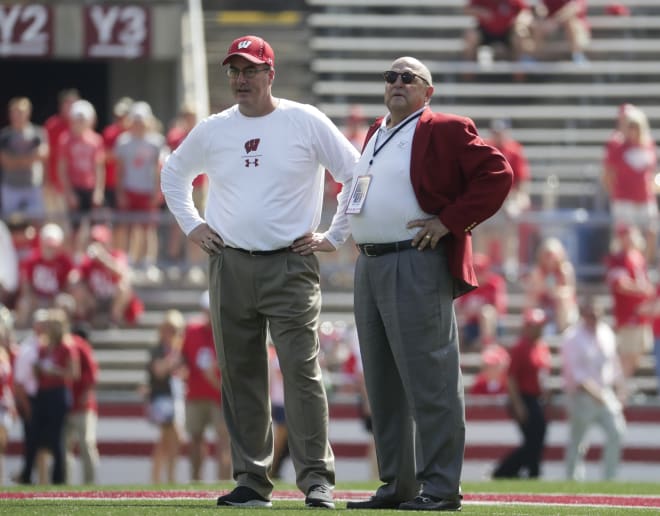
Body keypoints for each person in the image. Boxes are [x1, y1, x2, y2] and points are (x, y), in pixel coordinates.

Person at [160, 34, 359, 509]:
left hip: (290, 263)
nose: (240, 79)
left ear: (271, 74)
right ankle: (252, 478)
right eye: (234, 70)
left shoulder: (303, 120)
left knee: (301, 371)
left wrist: (335, 234)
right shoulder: (213, 128)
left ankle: (316, 479)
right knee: (240, 374)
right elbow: (173, 174)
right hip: (229, 263)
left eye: (250, 70)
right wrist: (193, 225)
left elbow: (355, 173)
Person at [345, 56, 513, 511]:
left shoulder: (446, 127)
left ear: (427, 91)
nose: (397, 83)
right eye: (390, 77)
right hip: (373, 263)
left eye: (408, 78)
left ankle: (440, 487)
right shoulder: (376, 131)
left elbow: (499, 174)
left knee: (432, 380)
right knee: (382, 383)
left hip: (414, 260)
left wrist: (450, 221)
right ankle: (397, 484)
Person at [561, 297, 626, 481]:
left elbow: (614, 363)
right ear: (582, 315)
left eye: (597, 314)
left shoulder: (606, 332)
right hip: (582, 396)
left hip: (605, 392)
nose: (594, 318)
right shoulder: (572, 337)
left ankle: (609, 479)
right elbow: (576, 373)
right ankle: (573, 480)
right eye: (590, 314)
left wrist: (620, 387)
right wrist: (595, 393)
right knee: (578, 441)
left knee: (617, 432)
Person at [18, 308, 80, 485]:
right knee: (35, 435)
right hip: (43, 393)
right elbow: (38, 373)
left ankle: (58, 478)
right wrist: (39, 369)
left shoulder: (67, 346)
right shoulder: (45, 346)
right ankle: (28, 474)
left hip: (58, 393)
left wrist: (54, 371)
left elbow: (74, 373)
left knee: (56, 436)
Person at [492, 308, 551, 479]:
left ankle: (518, 471)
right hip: (523, 398)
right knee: (534, 439)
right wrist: (518, 405)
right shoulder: (520, 347)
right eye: (533, 325)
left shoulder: (541, 347)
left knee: (537, 438)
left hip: (536, 399)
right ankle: (507, 471)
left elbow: (542, 375)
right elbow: (511, 378)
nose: (537, 329)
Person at [180, 290, 231, 481]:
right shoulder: (191, 331)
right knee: (195, 439)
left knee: (223, 441)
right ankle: (196, 481)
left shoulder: (228, 331)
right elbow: (183, 358)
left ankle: (224, 484)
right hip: (195, 393)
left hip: (220, 396)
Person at [115, 101, 166, 281]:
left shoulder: (156, 142)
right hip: (130, 189)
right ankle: (127, 261)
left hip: (147, 191)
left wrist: (157, 191)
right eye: (135, 120)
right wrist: (120, 192)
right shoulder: (123, 142)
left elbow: (159, 169)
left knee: (148, 229)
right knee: (127, 227)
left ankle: (148, 262)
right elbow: (120, 170)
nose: (139, 124)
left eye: (142, 120)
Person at [602, 105, 658, 265]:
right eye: (629, 126)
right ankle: (622, 269)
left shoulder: (648, 145)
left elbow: (651, 173)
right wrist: (616, 194)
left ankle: (644, 268)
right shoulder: (617, 145)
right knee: (624, 239)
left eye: (636, 126)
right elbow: (607, 175)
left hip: (646, 200)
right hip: (624, 201)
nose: (632, 130)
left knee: (651, 233)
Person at [481, 118, 532, 276]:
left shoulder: (514, 150)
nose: (498, 135)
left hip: (508, 199)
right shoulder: (483, 148)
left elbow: (522, 182)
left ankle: (509, 265)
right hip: (487, 198)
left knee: (511, 216)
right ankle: (480, 265)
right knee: (477, 224)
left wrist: (517, 201)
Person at [605, 224, 654, 385]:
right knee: (627, 356)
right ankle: (618, 389)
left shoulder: (637, 256)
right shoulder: (617, 258)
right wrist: (641, 289)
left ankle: (620, 387)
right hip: (628, 315)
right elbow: (619, 284)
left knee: (638, 353)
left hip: (642, 315)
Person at [69, 223, 143, 328]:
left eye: (100, 242)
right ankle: (83, 321)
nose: (97, 246)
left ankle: (114, 320)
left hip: (113, 299)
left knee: (124, 286)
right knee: (77, 287)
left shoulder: (117, 255)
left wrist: (103, 259)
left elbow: (123, 273)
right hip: (95, 299)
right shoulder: (88, 260)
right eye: (94, 242)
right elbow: (75, 276)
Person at [56, 99, 105, 253]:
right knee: (73, 229)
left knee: (94, 231)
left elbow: (99, 167)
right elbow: (62, 168)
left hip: (90, 188)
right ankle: (74, 260)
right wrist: (69, 192)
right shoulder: (65, 140)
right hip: (74, 188)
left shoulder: (96, 140)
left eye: (83, 119)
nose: (80, 122)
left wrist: (98, 191)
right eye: (77, 119)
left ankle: (89, 261)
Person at [146, 309, 186, 484]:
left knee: (170, 440)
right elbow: (159, 371)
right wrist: (172, 361)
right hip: (161, 398)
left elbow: (184, 373)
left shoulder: (177, 350)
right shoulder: (158, 350)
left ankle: (165, 477)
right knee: (169, 438)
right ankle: (161, 477)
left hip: (174, 397)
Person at [15, 222, 75, 328]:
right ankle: (22, 333)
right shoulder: (32, 260)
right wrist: (32, 297)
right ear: (42, 243)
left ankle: (63, 334)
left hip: (55, 299)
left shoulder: (65, 262)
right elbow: (26, 284)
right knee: (25, 303)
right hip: (37, 298)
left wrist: (58, 296)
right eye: (47, 246)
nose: (50, 250)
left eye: (53, 246)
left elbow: (69, 283)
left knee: (65, 302)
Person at [0, 96, 49, 221]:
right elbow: (6, 162)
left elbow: (43, 155)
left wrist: (16, 160)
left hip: (33, 186)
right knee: (10, 224)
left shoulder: (38, 133)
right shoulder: (4, 136)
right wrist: (30, 159)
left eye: (20, 112)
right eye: (14, 112)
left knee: (37, 223)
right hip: (11, 186)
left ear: (28, 113)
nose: (17, 116)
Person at [523, 236, 578, 334]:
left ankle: (563, 332)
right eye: (547, 255)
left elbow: (570, 291)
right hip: (544, 305)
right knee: (530, 300)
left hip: (562, 307)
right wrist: (545, 288)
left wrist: (554, 291)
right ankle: (529, 330)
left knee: (563, 298)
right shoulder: (538, 271)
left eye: (552, 255)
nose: (550, 259)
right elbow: (535, 290)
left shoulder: (565, 269)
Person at [454, 252, 508, 351]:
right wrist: (471, 312)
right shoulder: (468, 284)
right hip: (472, 325)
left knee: (486, 312)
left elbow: (498, 308)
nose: (477, 275)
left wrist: (477, 311)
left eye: (480, 271)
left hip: (494, 326)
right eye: (475, 271)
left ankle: (488, 348)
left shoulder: (495, 283)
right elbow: (460, 308)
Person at [44, 89, 79, 222]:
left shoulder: (82, 124)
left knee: (75, 226)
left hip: (76, 186)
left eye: (74, 104)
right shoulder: (52, 125)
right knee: (56, 224)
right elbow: (47, 155)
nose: (70, 108)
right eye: (67, 104)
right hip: (55, 184)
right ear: (61, 106)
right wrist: (47, 180)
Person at [463, 0, 535, 64]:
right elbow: (467, 9)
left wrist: (520, 20)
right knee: (471, 35)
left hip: (507, 31)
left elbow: (526, 12)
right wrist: (480, 11)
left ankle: (518, 74)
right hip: (485, 31)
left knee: (520, 35)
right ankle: (468, 74)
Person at [532, 0, 590, 64]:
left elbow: (573, 9)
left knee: (570, 22)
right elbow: (541, 7)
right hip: (552, 28)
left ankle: (577, 55)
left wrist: (554, 22)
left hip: (577, 31)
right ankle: (534, 56)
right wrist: (541, 11)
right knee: (537, 24)